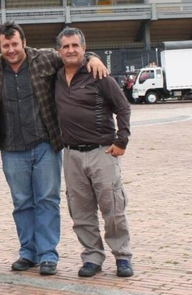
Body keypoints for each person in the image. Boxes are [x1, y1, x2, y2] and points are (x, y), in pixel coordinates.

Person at [0, 20, 106, 276]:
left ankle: (48, 254)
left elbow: (72, 55)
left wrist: (93, 57)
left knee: (47, 200)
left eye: (15, 44)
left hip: (45, 145)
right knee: (21, 202)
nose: (11, 49)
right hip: (11, 147)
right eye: (5, 45)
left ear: (24, 42)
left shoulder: (45, 59)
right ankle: (28, 253)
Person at [54, 27, 133, 278]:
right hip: (71, 155)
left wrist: (122, 141)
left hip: (102, 152)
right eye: (65, 46)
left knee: (113, 207)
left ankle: (122, 256)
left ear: (84, 49)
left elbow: (123, 107)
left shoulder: (98, 74)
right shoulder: (54, 76)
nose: (70, 50)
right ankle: (92, 257)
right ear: (59, 51)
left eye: (75, 45)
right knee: (80, 211)